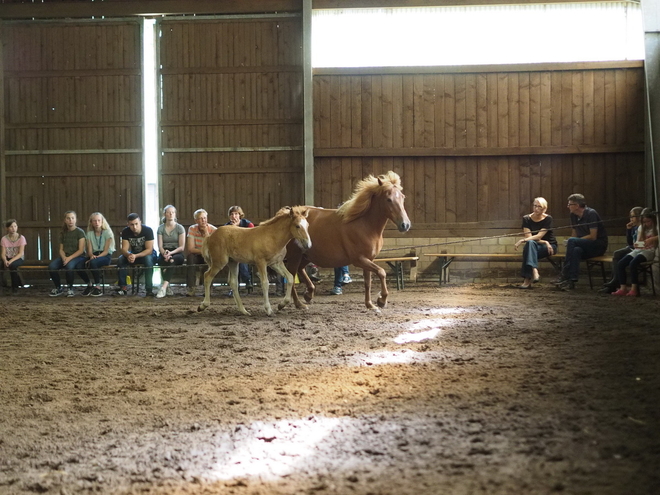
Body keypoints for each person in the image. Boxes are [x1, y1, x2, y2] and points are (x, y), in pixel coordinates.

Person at [557, 194, 608, 291]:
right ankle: (572, 280)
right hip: (583, 245)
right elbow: (574, 234)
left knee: (573, 242)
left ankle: (564, 273)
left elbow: (593, 236)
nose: (568, 206)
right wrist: (571, 242)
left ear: (577, 205)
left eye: (569, 204)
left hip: (597, 245)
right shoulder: (573, 215)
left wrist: (574, 241)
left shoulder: (591, 214)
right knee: (576, 250)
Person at [514, 197, 558, 289]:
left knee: (528, 248)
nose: (536, 208)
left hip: (549, 247)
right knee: (530, 245)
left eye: (539, 207)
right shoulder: (526, 218)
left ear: (544, 209)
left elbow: (538, 236)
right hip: (537, 245)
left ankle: (527, 281)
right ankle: (534, 270)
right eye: (535, 206)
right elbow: (529, 237)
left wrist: (545, 242)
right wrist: (545, 241)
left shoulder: (548, 219)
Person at [612, 210, 658, 296]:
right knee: (621, 263)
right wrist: (638, 244)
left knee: (633, 263)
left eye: (649, 221)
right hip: (639, 250)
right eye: (645, 222)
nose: (647, 223)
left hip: (649, 251)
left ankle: (634, 288)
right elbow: (638, 243)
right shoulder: (641, 228)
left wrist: (653, 239)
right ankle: (623, 287)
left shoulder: (656, 227)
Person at [599, 206, 643, 293]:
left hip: (638, 249)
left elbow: (638, 244)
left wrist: (635, 245)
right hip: (632, 247)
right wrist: (629, 230)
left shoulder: (641, 228)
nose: (631, 219)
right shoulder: (634, 227)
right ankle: (614, 283)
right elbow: (630, 242)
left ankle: (615, 281)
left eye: (633, 216)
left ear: (638, 217)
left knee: (617, 254)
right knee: (617, 257)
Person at [48, 211, 89, 297]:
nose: (70, 220)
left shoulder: (80, 232)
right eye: (68, 218)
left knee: (69, 267)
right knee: (52, 267)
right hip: (65, 257)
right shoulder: (63, 233)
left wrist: (69, 258)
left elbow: (81, 250)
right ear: (65, 220)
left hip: (78, 256)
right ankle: (58, 287)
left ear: (75, 220)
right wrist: (64, 257)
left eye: (72, 218)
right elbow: (61, 249)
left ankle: (70, 288)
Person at [116, 213, 157, 296]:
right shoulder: (125, 231)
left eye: (136, 224)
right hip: (134, 254)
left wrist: (135, 256)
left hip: (148, 254)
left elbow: (149, 250)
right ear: (128, 224)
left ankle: (149, 289)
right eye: (131, 225)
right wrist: (128, 255)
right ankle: (123, 287)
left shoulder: (148, 230)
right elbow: (124, 249)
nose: (134, 227)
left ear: (140, 222)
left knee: (148, 260)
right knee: (121, 259)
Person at [83, 212, 115, 297]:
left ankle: (98, 286)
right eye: (94, 221)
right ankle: (89, 284)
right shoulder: (89, 234)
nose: (97, 222)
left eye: (98, 220)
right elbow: (89, 250)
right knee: (79, 264)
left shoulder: (107, 233)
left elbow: (106, 251)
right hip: (94, 255)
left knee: (93, 263)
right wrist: (91, 255)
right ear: (91, 222)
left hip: (105, 256)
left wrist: (96, 257)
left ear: (102, 221)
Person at [156, 205, 185, 298]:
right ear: (165, 214)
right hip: (164, 251)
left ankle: (163, 288)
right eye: (169, 212)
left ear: (175, 214)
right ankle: (167, 286)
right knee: (162, 260)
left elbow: (182, 247)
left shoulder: (180, 228)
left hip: (176, 253)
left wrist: (171, 254)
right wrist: (164, 253)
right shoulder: (160, 228)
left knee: (172, 260)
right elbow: (160, 246)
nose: (171, 214)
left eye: (173, 212)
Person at [186, 208, 217, 296]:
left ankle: (208, 288)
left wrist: (207, 233)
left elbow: (213, 248)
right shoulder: (192, 229)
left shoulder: (213, 230)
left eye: (205, 218)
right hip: (198, 253)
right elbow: (191, 248)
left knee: (210, 260)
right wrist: (204, 251)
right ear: (196, 220)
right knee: (190, 258)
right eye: (200, 218)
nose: (203, 220)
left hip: (209, 254)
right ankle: (191, 287)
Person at [225, 206, 254, 293]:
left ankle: (238, 285)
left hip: (248, 250)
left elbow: (251, 239)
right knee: (235, 259)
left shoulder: (248, 224)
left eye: (236, 214)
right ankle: (245, 281)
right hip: (232, 252)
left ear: (240, 215)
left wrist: (236, 229)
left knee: (240, 259)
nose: (234, 216)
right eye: (232, 214)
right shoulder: (226, 227)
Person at [1, 219, 27, 295]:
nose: (13, 228)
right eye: (11, 227)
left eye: (15, 226)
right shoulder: (4, 239)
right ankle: (3, 285)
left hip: (18, 258)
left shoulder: (21, 238)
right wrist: (5, 260)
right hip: (8, 257)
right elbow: (3, 253)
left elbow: (20, 253)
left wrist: (10, 261)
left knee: (13, 266)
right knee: (2, 265)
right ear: (7, 228)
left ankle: (15, 287)